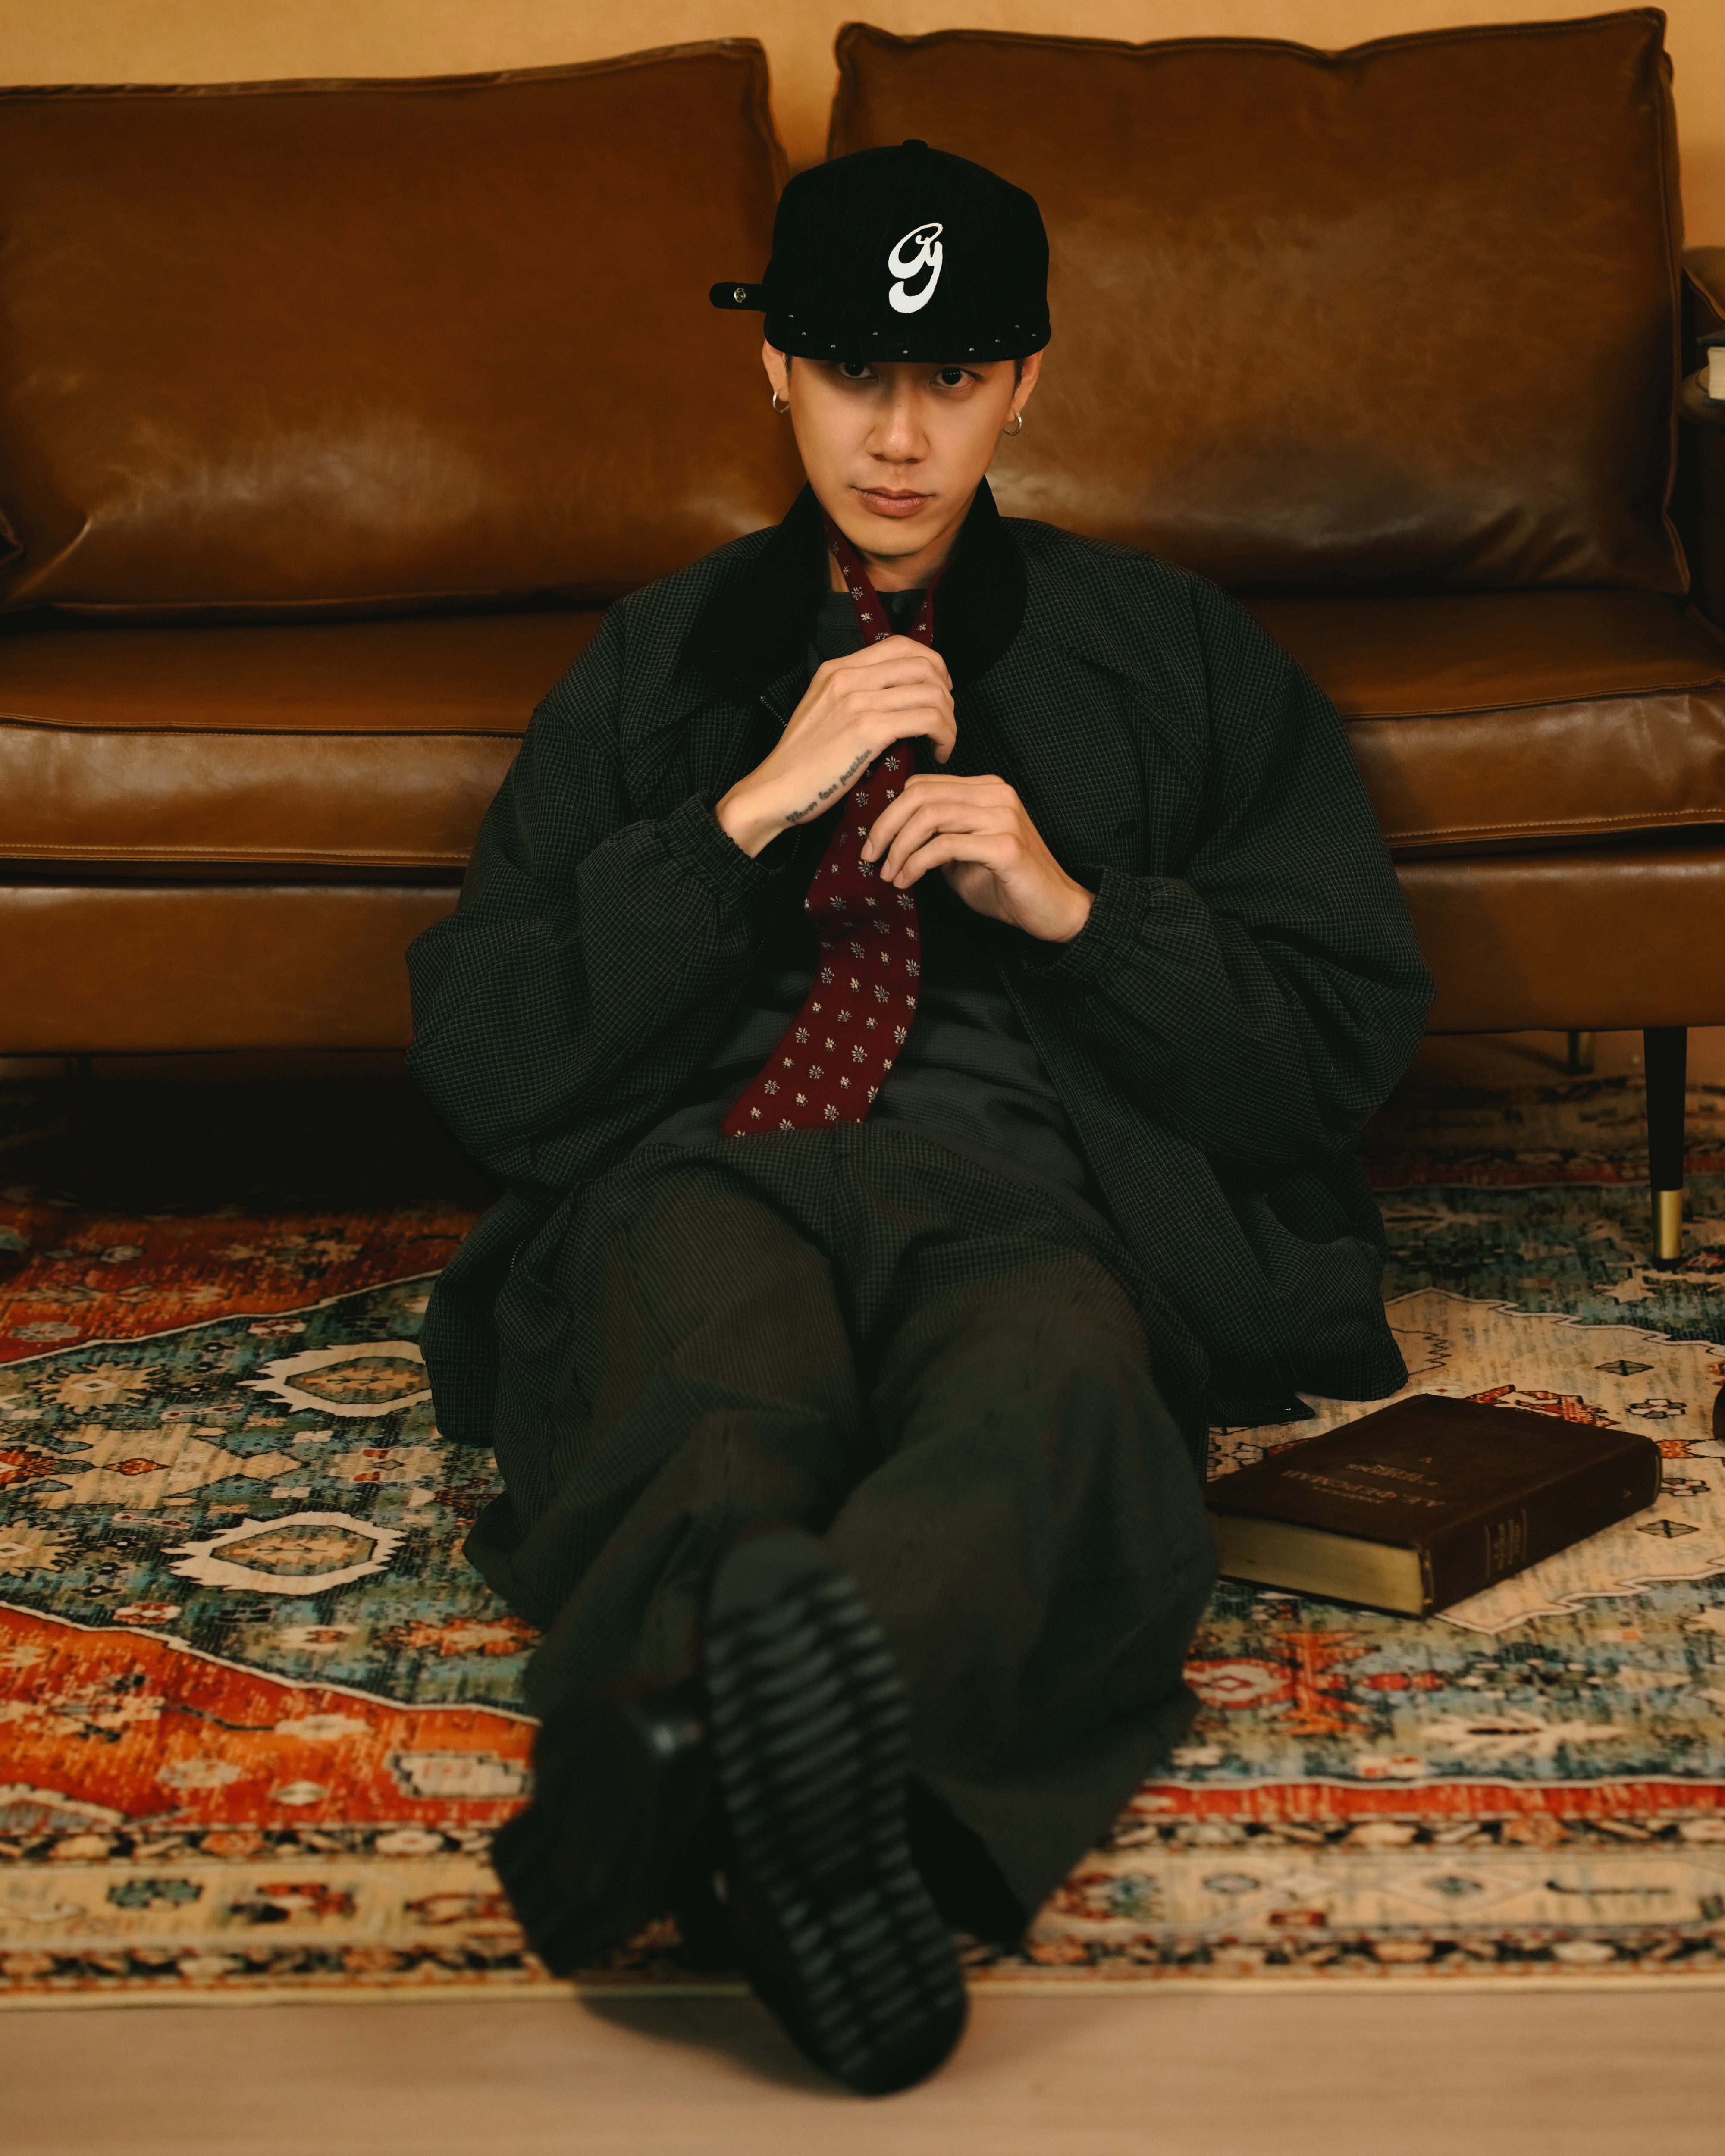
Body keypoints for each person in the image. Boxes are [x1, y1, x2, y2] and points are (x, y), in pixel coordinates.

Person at [405, 140, 1433, 2093]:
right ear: (771, 372)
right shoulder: (652, 661)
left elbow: (1329, 1048)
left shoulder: (1176, 652)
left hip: (1027, 1192)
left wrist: (1078, 913)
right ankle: (835, 1808)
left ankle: (671, 1770)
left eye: (953, 377)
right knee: (719, 1395)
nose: (898, 437)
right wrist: (739, 821)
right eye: (851, 374)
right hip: (707, 1173)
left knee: (1058, 1401)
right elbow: (491, 1059)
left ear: (1026, 381)